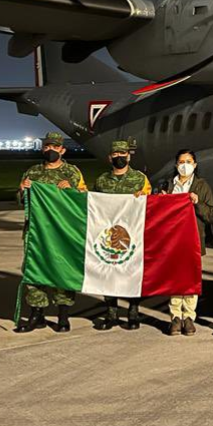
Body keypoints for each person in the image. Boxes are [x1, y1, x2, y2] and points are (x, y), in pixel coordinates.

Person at [14, 131, 87, 333]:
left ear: (62, 150)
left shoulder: (71, 172)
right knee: (34, 270)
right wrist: (22, 189)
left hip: (62, 231)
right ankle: (37, 314)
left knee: (62, 269)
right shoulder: (33, 172)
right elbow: (21, 200)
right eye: (47, 147)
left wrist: (70, 188)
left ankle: (63, 315)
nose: (50, 150)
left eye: (55, 147)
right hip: (35, 230)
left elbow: (83, 199)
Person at [91, 140, 151, 331]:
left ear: (129, 156)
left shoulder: (140, 179)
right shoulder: (101, 181)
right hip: (108, 235)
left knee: (130, 273)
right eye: (115, 154)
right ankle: (111, 314)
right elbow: (94, 206)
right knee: (108, 273)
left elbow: (150, 203)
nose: (119, 157)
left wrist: (143, 198)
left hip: (132, 235)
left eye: (122, 154)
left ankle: (133, 312)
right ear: (110, 157)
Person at [158, 149, 213, 336]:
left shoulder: (201, 186)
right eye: (182, 161)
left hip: (193, 239)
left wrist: (198, 203)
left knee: (191, 279)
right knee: (175, 279)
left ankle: (189, 317)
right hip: (173, 239)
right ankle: (176, 316)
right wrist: (161, 202)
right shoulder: (168, 185)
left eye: (189, 161)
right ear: (176, 165)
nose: (185, 165)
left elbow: (212, 213)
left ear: (195, 165)